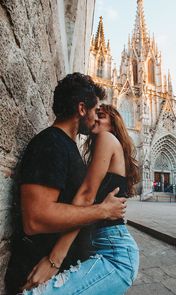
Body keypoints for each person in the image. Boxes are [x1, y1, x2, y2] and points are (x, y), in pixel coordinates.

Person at [5, 74, 129, 294]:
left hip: (65, 270)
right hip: (37, 274)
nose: (96, 118)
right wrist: (102, 210)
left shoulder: (68, 148)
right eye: (95, 110)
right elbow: (35, 219)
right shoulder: (51, 144)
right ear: (82, 109)